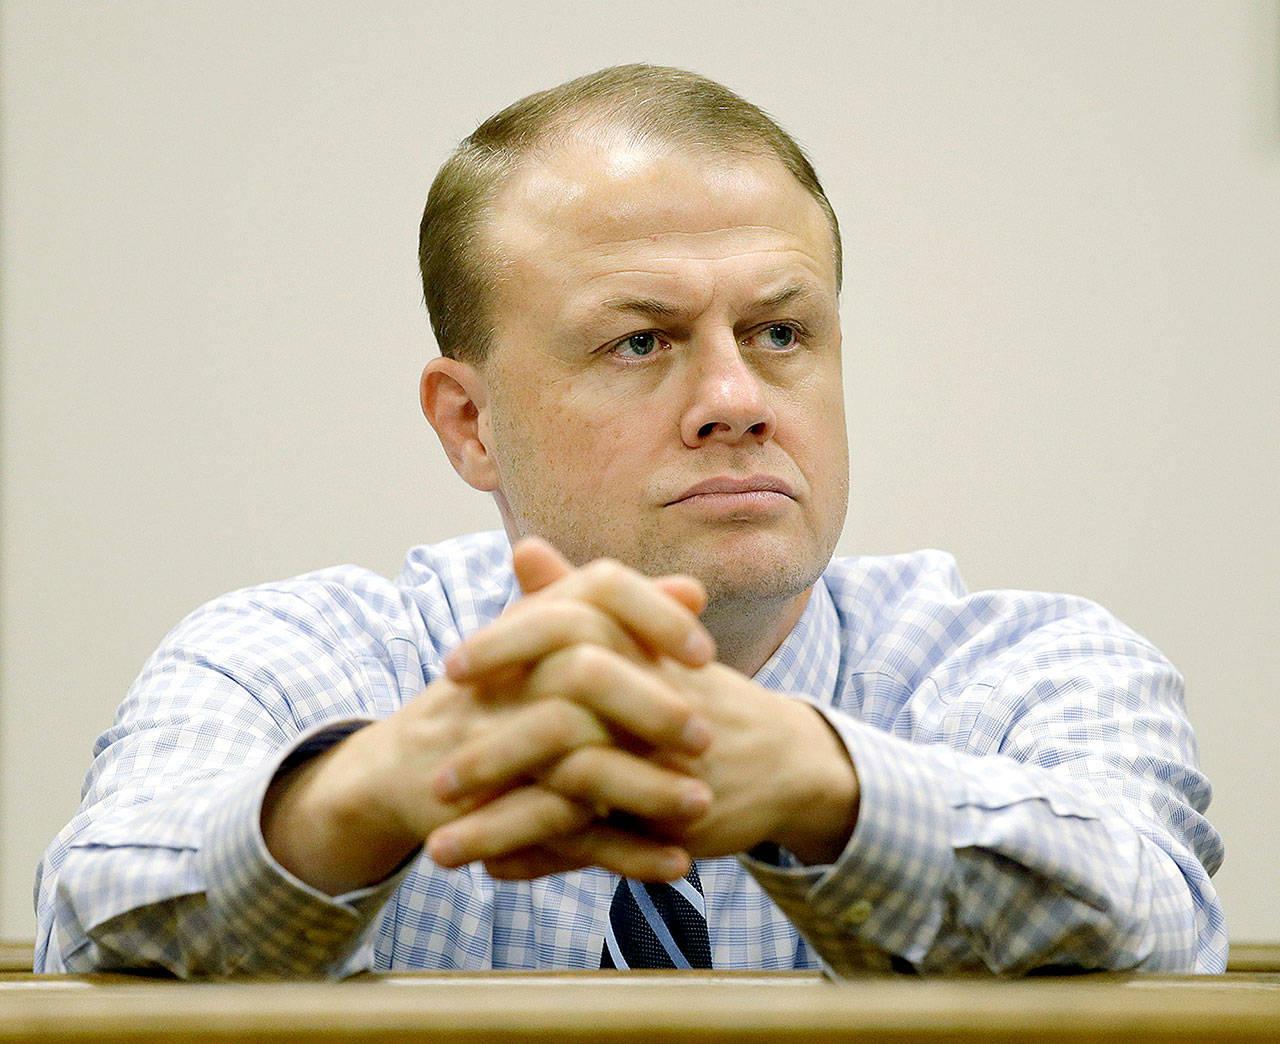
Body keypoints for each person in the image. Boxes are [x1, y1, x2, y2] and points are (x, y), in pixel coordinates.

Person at [35, 64, 1225, 978]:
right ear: (469, 423)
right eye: (639, 340)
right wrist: (370, 796)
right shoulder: (293, 659)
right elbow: (86, 936)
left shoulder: (1034, 668)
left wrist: (829, 790)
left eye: (779, 333)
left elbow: (1167, 935)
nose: (733, 402)